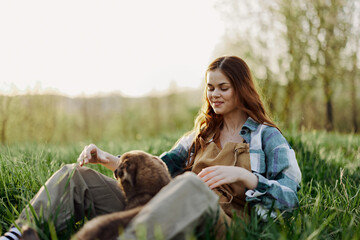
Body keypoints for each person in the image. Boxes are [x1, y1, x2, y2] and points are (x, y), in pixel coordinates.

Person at [1, 56, 301, 240]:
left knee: (189, 186)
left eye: (223, 87)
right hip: (165, 210)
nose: (215, 95)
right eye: (210, 88)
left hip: (223, 224)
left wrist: (244, 177)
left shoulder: (267, 137)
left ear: (241, 89)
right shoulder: (200, 135)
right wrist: (108, 159)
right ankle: (16, 235)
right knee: (75, 177)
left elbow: (290, 197)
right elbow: (155, 170)